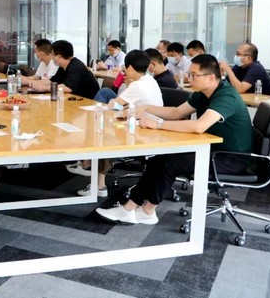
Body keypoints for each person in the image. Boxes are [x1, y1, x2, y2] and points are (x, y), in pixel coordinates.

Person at [96, 54, 252, 225]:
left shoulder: (226, 96)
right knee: (159, 157)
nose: (189, 78)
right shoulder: (202, 93)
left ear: (211, 77)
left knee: (171, 162)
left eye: (194, 75)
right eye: (189, 73)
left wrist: (158, 124)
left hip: (229, 158)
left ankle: (147, 211)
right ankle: (130, 208)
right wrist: (146, 108)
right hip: (210, 148)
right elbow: (177, 112)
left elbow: (199, 126)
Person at [69, 51, 163, 197]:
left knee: (102, 133)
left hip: (142, 130)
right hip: (147, 125)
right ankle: (87, 163)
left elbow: (114, 105)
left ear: (130, 68)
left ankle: (98, 184)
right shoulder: (150, 80)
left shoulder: (137, 85)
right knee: (105, 109)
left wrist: (121, 97)